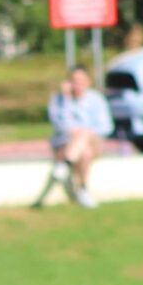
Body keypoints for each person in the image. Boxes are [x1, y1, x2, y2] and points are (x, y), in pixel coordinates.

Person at [45, 64, 114, 208]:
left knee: (85, 134)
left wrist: (84, 132)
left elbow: (106, 127)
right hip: (66, 143)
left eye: (81, 81)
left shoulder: (96, 99)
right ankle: (83, 189)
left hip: (91, 140)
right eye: (74, 81)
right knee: (85, 153)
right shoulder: (59, 100)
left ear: (88, 82)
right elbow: (58, 124)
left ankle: (64, 164)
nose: (78, 85)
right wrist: (66, 99)